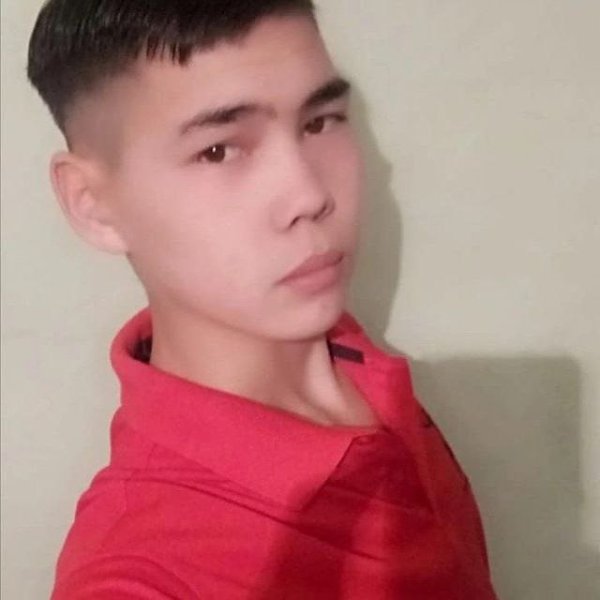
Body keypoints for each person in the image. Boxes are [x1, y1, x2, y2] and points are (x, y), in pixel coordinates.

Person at [27, 1, 498, 598]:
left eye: (320, 122)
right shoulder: (143, 574)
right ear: (93, 205)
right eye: (218, 150)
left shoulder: (358, 363)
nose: (309, 195)